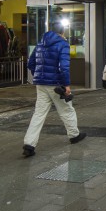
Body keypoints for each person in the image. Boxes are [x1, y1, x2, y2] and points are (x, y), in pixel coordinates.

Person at [22, 21, 86, 156]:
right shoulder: (63, 44)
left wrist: (39, 75)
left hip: (41, 84)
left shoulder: (40, 43)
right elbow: (64, 67)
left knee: (39, 113)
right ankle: (74, 135)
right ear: (63, 32)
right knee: (66, 109)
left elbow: (31, 63)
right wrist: (67, 85)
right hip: (56, 84)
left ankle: (29, 144)